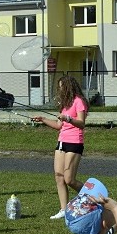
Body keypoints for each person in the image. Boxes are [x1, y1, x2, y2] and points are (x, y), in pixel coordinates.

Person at [31, 75, 89, 220]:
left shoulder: (79, 102)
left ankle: (92, 197)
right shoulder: (64, 104)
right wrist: (43, 119)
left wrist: (68, 118)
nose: (60, 89)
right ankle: (64, 209)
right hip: (62, 142)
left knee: (69, 179)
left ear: (69, 87)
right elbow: (58, 125)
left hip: (74, 142)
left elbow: (81, 123)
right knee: (59, 176)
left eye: (62, 86)